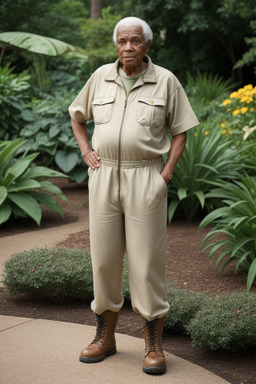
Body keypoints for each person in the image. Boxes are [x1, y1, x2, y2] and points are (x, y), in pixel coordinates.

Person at [69, 16, 199, 375]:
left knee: (146, 264)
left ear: (147, 45)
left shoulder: (166, 81)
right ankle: (105, 339)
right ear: (116, 44)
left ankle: (153, 345)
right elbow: (77, 116)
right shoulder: (100, 78)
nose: (128, 47)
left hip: (145, 177)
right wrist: (85, 151)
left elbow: (181, 130)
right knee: (104, 261)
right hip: (104, 174)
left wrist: (167, 172)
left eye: (135, 41)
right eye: (122, 41)